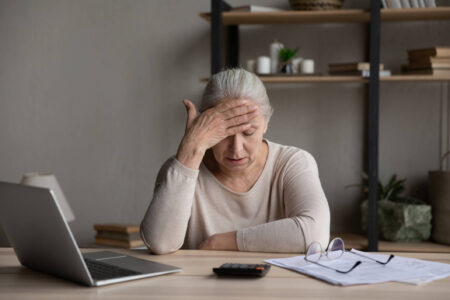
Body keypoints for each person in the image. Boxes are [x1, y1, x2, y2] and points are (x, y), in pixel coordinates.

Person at [140, 68, 330, 254]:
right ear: (204, 124)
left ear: (266, 122)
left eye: (248, 132)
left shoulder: (292, 162)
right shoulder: (182, 168)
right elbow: (160, 243)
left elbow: (315, 235)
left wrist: (220, 242)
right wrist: (191, 150)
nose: (236, 149)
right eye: (223, 134)